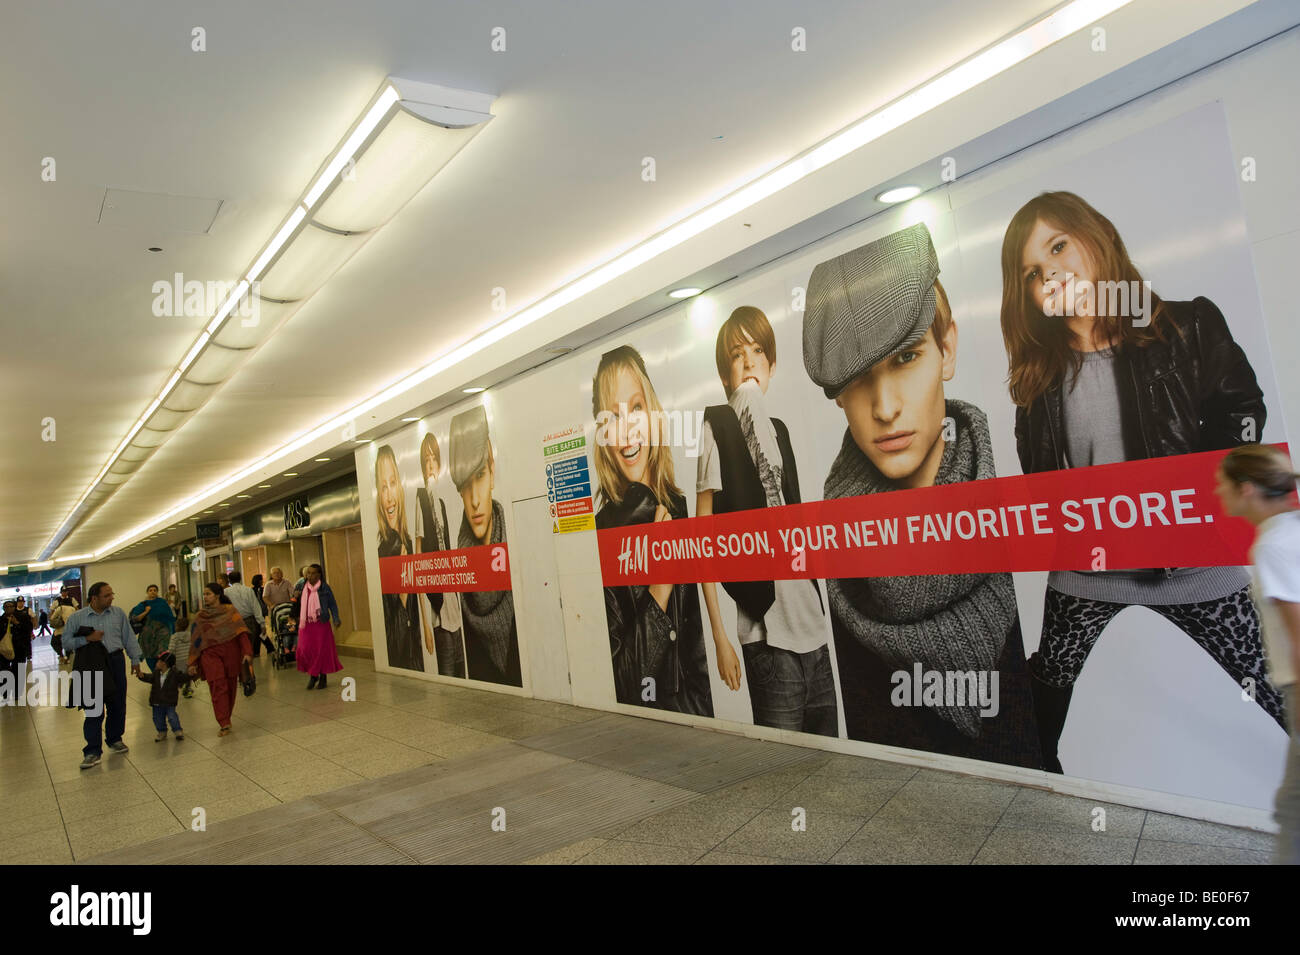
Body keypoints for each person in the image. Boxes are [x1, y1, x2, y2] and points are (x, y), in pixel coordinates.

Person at [999, 191, 1285, 772]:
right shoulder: (1039, 377)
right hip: (1088, 575)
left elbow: (1243, 411)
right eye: (1033, 271)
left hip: (1195, 568)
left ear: (1096, 236)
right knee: (1042, 700)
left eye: (1058, 246)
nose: (1050, 270)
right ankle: (1031, 802)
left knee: (1272, 686)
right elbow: (1039, 479)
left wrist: (1195, 494)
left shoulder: (1189, 325)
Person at [804, 222, 1039, 765]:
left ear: (946, 350)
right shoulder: (837, 545)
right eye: (857, 378)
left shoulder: (1014, 510)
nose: (884, 407)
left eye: (907, 358)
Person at [696, 306, 835, 735]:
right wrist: (720, 637)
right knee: (785, 777)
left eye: (758, 350)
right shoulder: (716, 426)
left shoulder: (780, 431)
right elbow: (702, 540)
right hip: (768, 640)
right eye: (737, 354)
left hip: (814, 632)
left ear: (771, 366)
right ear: (726, 375)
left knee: (835, 767)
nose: (750, 360)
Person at [591, 346, 713, 716]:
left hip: (704, 715)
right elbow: (622, 682)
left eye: (636, 408)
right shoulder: (601, 534)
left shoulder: (681, 507)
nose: (626, 431)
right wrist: (659, 589)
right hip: (653, 728)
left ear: (652, 413)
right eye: (612, 417)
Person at [1214, 445, 1300, 864]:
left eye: (1223, 485)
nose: (1218, 493)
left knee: (1292, 808)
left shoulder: (1274, 547)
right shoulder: (1291, 533)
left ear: (1246, 489)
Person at [449, 406, 523, 686]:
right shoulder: (459, 573)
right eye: (464, 486)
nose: (475, 500)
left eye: (479, 476)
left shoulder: (516, 546)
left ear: (492, 470)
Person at [60, 582, 143, 770]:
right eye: (107, 595)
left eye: (111, 594)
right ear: (94, 598)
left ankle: (115, 738)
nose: (111, 598)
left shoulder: (118, 613)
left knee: (117, 704)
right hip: (91, 664)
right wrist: (87, 639)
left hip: (115, 661)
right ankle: (92, 750)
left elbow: (128, 637)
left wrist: (135, 660)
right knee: (93, 708)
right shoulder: (77, 617)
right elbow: (66, 642)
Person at [415, 430, 466, 678]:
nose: (431, 465)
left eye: (434, 458)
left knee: (460, 668)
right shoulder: (421, 499)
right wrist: (425, 623)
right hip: (436, 605)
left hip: (453, 599)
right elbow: (417, 557)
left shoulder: (443, 504)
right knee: (447, 673)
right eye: (426, 460)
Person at [374, 444, 428, 673]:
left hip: (416, 654)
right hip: (401, 657)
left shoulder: (407, 541)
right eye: (382, 487)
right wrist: (403, 598)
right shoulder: (384, 551)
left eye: (393, 483)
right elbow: (389, 623)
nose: (389, 497)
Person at [187, 582, 253, 736]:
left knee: (230, 686)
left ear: (217, 595)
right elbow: (195, 640)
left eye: (208, 594)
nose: (205, 597)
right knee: (217, 685)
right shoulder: (201, 616)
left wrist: (247, 652)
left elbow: (241, 632)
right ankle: (223, 722)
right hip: (210, 655)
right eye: (204, 594)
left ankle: (226, 717)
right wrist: (193, 662)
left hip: (231, 653)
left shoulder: (230, 611)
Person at [291, 564, 343, 690]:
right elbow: (294, 602)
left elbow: (333, 604)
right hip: (306, 623)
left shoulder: (325, 588)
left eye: (313, 573)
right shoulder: (301, 586)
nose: (310, 575)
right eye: (308, 573)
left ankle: (319, 676)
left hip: (321, 623)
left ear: (319, 575)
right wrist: (295, 597)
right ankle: (313, 673)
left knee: (320, 650)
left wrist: (336, 618)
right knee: (304, 649)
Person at [135, 650, 189, 741]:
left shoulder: (175, 674)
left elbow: (183, 678)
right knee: (157, 718)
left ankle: (177, 730)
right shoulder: (156, 673)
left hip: (169, 701)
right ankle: (162, 731)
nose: (157, 663)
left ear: (164, 663)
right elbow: (149, 677)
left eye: (159, 661)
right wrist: (142, 676)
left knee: (172, 717)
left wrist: (190, 674)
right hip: (157, 701)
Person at [129, 584, 176, 673]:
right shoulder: (143, 605)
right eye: (150, 590)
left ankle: (162, 676)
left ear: (157, 592)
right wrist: (146, 611)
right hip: (147, 636)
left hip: (163, 634)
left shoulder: (162, 603)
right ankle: (155, 676)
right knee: (149, 655)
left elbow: (170, 617)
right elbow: (135, 618)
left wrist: (173, 631)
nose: (153, 592)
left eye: (155, 590)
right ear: (147, 592)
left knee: (162, 654)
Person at [224, 571, 271, 658]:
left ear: (229, 581)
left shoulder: (225, 592)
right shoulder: (248, 590)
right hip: (249, 621)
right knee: (249, 645)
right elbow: (255, 607)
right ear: (240, 579)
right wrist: (262, 623)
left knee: (237, 645)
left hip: (233, 622)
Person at [168, 614, 195, 698]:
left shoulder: (174, 637)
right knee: (188, 675)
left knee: (178, 675)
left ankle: (178, 686)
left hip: (178, 660)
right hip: (188, 659)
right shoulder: (190, 635)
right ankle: (187, 690)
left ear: (177, 626)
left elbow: (171, 649)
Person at [50, 595, 76, 664]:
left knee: (54, 643)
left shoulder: (60, 608)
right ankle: (67, 659)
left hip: (60, 630)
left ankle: (61, 655)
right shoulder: (73, 609)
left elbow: (52, 618)